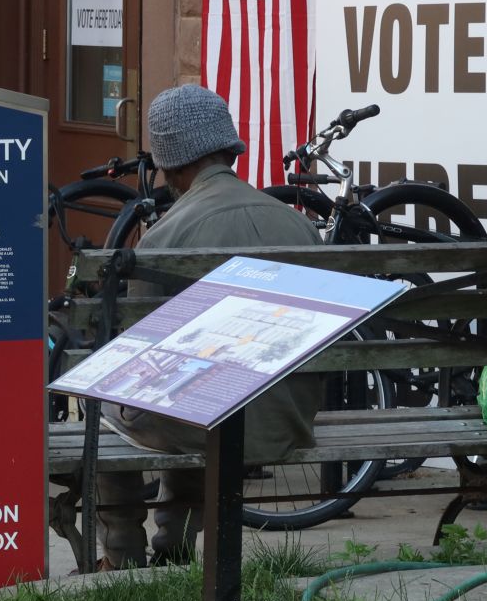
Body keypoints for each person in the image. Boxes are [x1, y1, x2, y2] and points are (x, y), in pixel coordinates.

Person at [95, 84, 323, 569]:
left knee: (108, 408)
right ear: (229, 148)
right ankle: (171, 547)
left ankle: (124, 555)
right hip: (288, 421)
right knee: (199, 395)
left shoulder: (162, 240)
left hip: (212, 424)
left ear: (172, 161)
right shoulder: (299, 224)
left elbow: (144, 368)